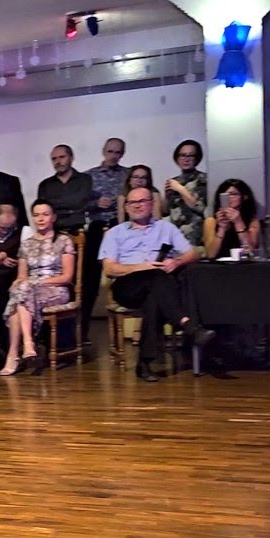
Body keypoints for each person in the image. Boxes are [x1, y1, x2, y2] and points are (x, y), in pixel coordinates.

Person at [100, 187, 215, 382]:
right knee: (155, 276)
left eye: (143, 201)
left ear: (152, 204)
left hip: (159, 285)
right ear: (126, 207)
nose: (138, 205)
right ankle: (187, 325)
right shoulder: (115, 233)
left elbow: (193, 253)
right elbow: (110, 269)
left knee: (154, 298)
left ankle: (144, 363)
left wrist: (176, 262)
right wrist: (140, 267)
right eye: (133, 202)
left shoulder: (166, 228)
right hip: (127, 285)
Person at [0, 200, 76, 376]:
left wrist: (37, 283)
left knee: (20, 296)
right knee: (20, 292)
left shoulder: (63, 240)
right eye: (36, 215)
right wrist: (18, 283)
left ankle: (15, 353)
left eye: (45, 214)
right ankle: (25, 346)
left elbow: (67, 277)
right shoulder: (26, 244)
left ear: (53, 217)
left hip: (56, 288)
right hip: (29, 289)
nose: (40, 219)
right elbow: (22, 276)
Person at [83, 139, 129, 340]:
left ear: (122, 154)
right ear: (103, 151)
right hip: (96, 230)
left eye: (118, 152)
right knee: (89, 282)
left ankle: (127, 333)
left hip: (121, 231)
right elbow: (79, 204)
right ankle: (82, 332)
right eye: (110, 151)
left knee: (125, 278)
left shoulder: (127, 175)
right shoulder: (88, 176)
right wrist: (95, 203)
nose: (113, 155)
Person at [36, 145, 94, 234]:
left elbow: (83, 203)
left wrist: (58, 206)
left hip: (80, 230)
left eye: (62, 157)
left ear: (71, 158)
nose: (58, 162)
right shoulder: (45, 185)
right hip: (53, 231)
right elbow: (42, 210)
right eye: (54, 159)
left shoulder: (85, 179)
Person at [203, 179, 262, 259]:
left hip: (243, 266)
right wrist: (221, 229)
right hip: (219, 267)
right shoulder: (211, 222)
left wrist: (238, 222)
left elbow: (250, 251)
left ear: (244, 197)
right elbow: (210, 255)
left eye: (233, 194)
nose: (229, 198)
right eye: (225, 195)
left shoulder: (252, 222)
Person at [164, 139, 208, 246]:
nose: (186, 159)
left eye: (190, 155)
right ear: (177, 158)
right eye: (182, 155)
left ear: (197, 158)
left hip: (196, 236)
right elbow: (167, 211)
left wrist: (180, 189)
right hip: (175, 236)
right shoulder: (173, 181)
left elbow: (200, 207)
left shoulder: (203, 179)